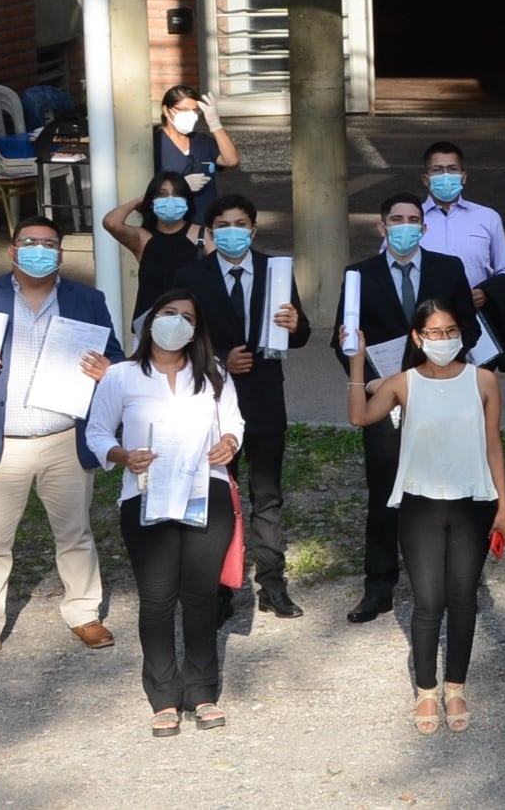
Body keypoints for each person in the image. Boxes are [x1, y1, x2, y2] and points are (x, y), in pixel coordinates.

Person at [0, 217, 121, 667]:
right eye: (29, 242)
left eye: (48, 244)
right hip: (1, 440)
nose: (39, 249)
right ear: (13, 252)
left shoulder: (87, 300)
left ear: (60, 254)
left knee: (75, 533)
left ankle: (83, 613)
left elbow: (116, 356)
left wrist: (106, 370)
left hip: (62, 437)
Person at [345, 299, 505, 735]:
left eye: (450, 330)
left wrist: (503, 504)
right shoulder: (403, 383)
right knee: (428, 602)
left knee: (463, 599)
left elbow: (493, 443)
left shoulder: (485, 381)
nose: (444, 340)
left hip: (472, 502)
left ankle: (455, 686)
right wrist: (357, 364)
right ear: (417, 338)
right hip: (420, 503)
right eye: (434, 332)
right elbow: (360, 416)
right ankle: (425, 690)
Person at [86, 289, 245, 735]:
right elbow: (96, 432)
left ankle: (202, 692)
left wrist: (230, 442)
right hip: (146, 494)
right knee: (157, 598)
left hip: (203, 492)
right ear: (151, 321)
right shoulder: (120, 376)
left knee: (200, 596)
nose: (176, 322)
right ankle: (162, 696)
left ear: (196, 329)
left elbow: (234, 422)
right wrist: (121, 454)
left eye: (186, 316)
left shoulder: (212, 374)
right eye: (168, 313)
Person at [336, 194, 483, 624]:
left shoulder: (447, 268)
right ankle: (378, 587)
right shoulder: (358, 274)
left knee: (445, 489)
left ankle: (447, 581)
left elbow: (468, 329)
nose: (404, 225)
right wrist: (368, 380)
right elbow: (343, 340)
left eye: (412, 219)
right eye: (395, 219)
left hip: (441, 397)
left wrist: (442, 367)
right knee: (384, 494)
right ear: (381, 227)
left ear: (424, 226)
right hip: (385, 397)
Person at [175, 194, 311, 618]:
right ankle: (217, 589)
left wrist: (297, 325)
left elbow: (300, 332)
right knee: (217, 494)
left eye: (241, 223)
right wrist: (219, 361)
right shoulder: (192, 276)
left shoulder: (276, 270)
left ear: (253, 229)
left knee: (267, 496)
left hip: (266, 398)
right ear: (212, 232)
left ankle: (272, 583)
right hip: (213, 402)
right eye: (223, 225)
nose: (233, 231)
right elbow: (179, 338)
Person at [416, 141, 505, 370]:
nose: (445, 175)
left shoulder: (487, 218)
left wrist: (486, 293)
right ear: (426, 178)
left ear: (464, 176)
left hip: (475, 323)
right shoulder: (410, 220)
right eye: (437, 170)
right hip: (426, 324)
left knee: (477, 392)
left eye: (452, 169)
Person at [101, 171, 210, 324]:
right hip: (150, 324)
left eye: (178, 194)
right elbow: (111, 222)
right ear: (152, 201)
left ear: (187, 201)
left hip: (192, 323)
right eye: (162, 195)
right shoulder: (142, 237)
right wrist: (139, 200)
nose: (170, 200)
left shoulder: (203, 235)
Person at [150, 85, 238, 225]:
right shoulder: (154, 144)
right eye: (184, 110)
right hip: (169, 224)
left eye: (195, 111)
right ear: (166, 110)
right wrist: (181, 186)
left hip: (204, 222)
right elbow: (146, 188)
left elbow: (231, 160)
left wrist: (215, 125)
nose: (190, 115)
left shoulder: (202, 142)